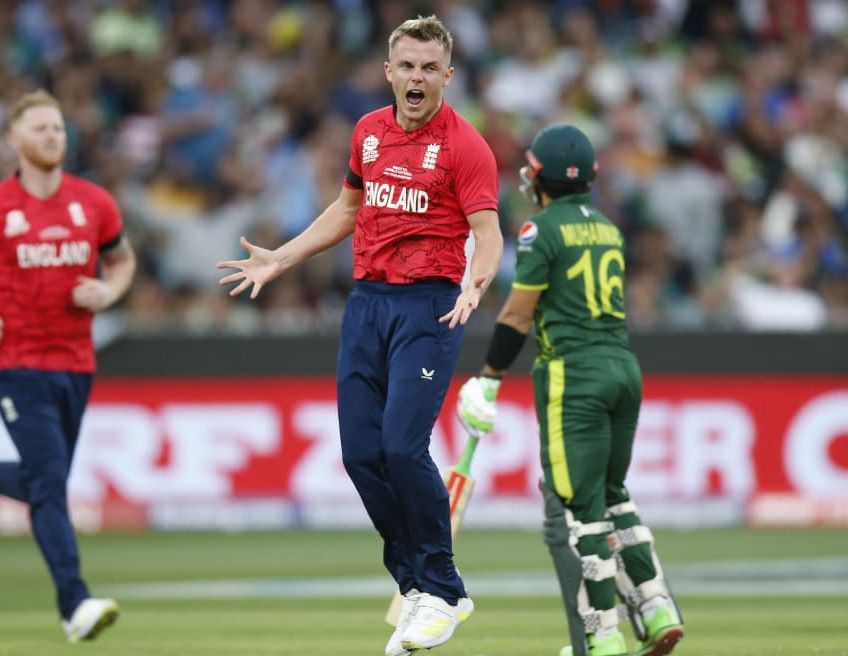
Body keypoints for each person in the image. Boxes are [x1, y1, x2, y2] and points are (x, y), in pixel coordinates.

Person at [218, 15, 502, 656]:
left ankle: (446, 591)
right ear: (388, 71)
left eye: (430, 68)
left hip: (432, 305)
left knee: (404, 450)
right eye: (407, 66)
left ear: (447, 77)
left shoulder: (466, 146)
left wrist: (475, 286)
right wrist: (281, 258)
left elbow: (487, 232)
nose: (417, 78)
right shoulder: (367, 133)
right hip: (368, 303)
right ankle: (417, 586)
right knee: (359, 456)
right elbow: (349, 209)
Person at [455, 123, 685, 656]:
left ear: (538, 177)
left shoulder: (540, 231)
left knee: (581, 513)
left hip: (574, 376)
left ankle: (602, 638)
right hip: (624, 369)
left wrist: (488, 377)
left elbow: (518, 313)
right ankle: (655, 607)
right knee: (614, 496)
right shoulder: (608, 228)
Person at [0, 88, 136, 643]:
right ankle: (75, 604)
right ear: (15, 140)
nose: (53, 136)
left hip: (75, 360)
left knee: (44, 482)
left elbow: (122, 259)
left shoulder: (93, 203)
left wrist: (109, 290)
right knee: (50, 483)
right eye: (41, 128)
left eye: (58, 129)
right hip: (14, 361)